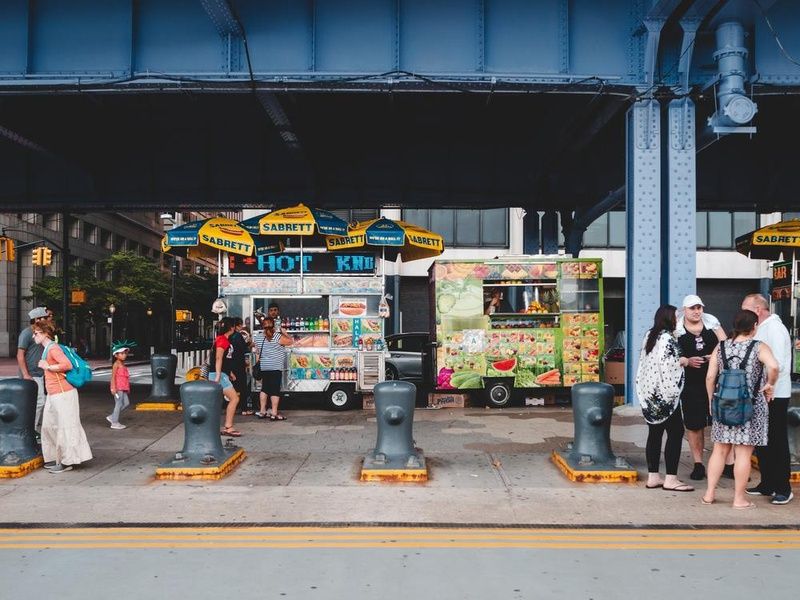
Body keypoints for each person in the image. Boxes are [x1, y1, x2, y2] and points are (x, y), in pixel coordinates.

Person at [702, 309, 779, 509]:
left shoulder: (721, 347)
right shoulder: (759, 347)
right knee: (743, 454)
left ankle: (709, 494)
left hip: (723, 405)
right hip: (750, 407)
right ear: (754, 327)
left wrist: (712, 400)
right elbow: (774, 367)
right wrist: (770, 384)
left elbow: (710, 377)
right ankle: (739, 499)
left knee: (719, 450)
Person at [741, 293, 794, 505]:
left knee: (777, 441)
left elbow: (778, 363)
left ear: (757, 309)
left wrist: (766, 381)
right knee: (762, 440)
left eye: (745, 308)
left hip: (776, 394)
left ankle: (783, 487)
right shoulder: (760, 328)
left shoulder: (775, 329)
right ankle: (768, 483)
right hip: (761, 394)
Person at [635, 304, 694, 492]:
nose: (678, 319)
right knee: (676, 433)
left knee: (654, 434)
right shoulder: (668, 339)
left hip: (650, 394)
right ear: (669, 318)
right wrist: (684, 361)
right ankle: (671, 479)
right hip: (665, 395)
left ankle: (653, 476)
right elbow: (669, 365)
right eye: (676, 316)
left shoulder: (649, 336)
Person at [676, 294, 725, 481]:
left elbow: (725, 344)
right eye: (692, 308)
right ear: (684, 310)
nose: (697, 312)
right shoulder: (677, 329)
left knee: (721, 420)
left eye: (699, 308)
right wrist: (686, 361)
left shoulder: (711, 323)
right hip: (690, 383)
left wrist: (712, 357)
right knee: (694, 424)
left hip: (716, 380)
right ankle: (698, 463)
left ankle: (727, 462)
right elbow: (670, 354)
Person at [34, 320, 93, 473]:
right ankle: (55, 458)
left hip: (63, 393)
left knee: (66, 426)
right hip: (54, 394)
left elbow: (67, 365)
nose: (33, 336)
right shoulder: (47, 349)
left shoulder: (53, 348)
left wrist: (48, 366)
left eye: (36, 333)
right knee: (49, 425)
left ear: (45, 334)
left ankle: (68, 461)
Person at [16, 307, 53, 435]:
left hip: (42, 373)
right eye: (43, 317)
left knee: (40, 402)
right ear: (36, 319)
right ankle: (30, 430)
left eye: (46, 317)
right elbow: (20, 355)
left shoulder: (43, 332)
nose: (46, 319)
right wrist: (26, 374)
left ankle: (32, 429)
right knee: (39, 401)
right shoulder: (27, 333)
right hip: (32, 374)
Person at [254, 317, 292, 421]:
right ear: (274, 325)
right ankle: (274, 413)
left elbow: (257, 351)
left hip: (264, 366)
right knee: (275, 390)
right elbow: (290, 342)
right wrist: (285, 333)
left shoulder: (258, 337)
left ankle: (262, 411)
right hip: (275, 367)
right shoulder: (277, 336)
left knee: (264, 388)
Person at [209, 317, 242, 437]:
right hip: (219, 374)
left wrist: (229, 372)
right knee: (234, 399)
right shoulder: (222, 340)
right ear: (231, 327)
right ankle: (228, 426)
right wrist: (218, 375)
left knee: (218, 401)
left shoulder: (222, 339)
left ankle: (222, 426)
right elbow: (218, 357)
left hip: (222, 373)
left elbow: (225, 359)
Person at [108, 340, 135, 430]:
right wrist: (113, 388)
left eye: (125, 353)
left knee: (126, 403)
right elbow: (112, 377)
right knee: (118, 404)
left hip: (123, 387)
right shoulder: (116, 364)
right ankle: (114, 423)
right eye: (121, 353)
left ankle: (112, 417)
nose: (124, 355)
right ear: (116, 355)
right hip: (118, 387)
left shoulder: (122, 363)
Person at [229, 317, 252, 416]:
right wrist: (250, 345)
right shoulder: (238, 335)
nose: (241, 327)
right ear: (237, 326)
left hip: (230, 363)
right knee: (243, 387)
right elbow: (244, 349)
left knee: (232, 386)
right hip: (238, 363)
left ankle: (234, 407)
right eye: (240, 325)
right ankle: (244, 409)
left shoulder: (229, 336)